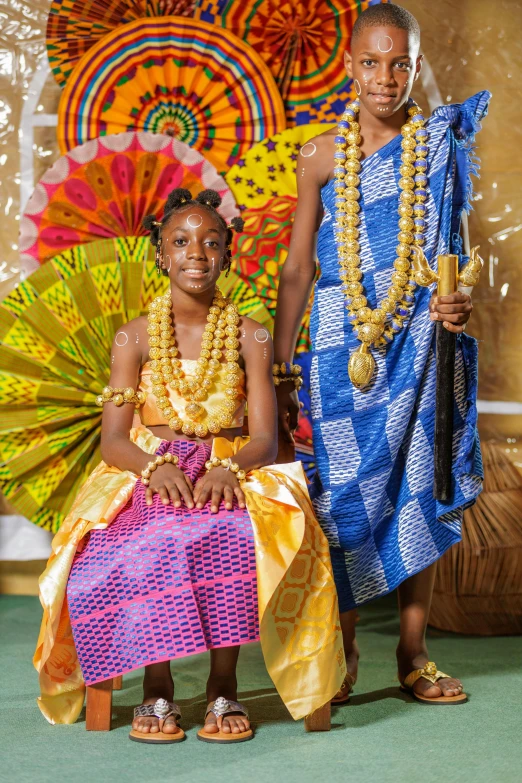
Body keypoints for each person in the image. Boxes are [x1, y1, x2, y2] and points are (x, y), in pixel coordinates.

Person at [34, 188, 345, 743]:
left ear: (228, 255)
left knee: (225, 531)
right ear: (160, 254)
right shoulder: (134, 335)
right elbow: (113, 441)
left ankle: (222, 683)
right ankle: (158, 686)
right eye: (180, 241)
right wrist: (154, 468)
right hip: (149, 466)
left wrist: (230, 468)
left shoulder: (251, 333)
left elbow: (266, 435)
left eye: (210, 242)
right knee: (149, 539)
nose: (195, 252)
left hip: (233, 466)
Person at [273, 3, 490, 705]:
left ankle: (414, 651)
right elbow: (298, 269)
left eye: (399, 62)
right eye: (371, 61)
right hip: (338, 346)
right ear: (349, 66)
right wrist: (281, 364)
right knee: (339, 498)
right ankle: (341, 646)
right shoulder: (318, 155)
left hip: (418, 339)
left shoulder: (439, 148)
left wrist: (456, 303)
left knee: (415, 485)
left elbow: (453, 258)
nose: (385, 77)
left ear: (416, 67)